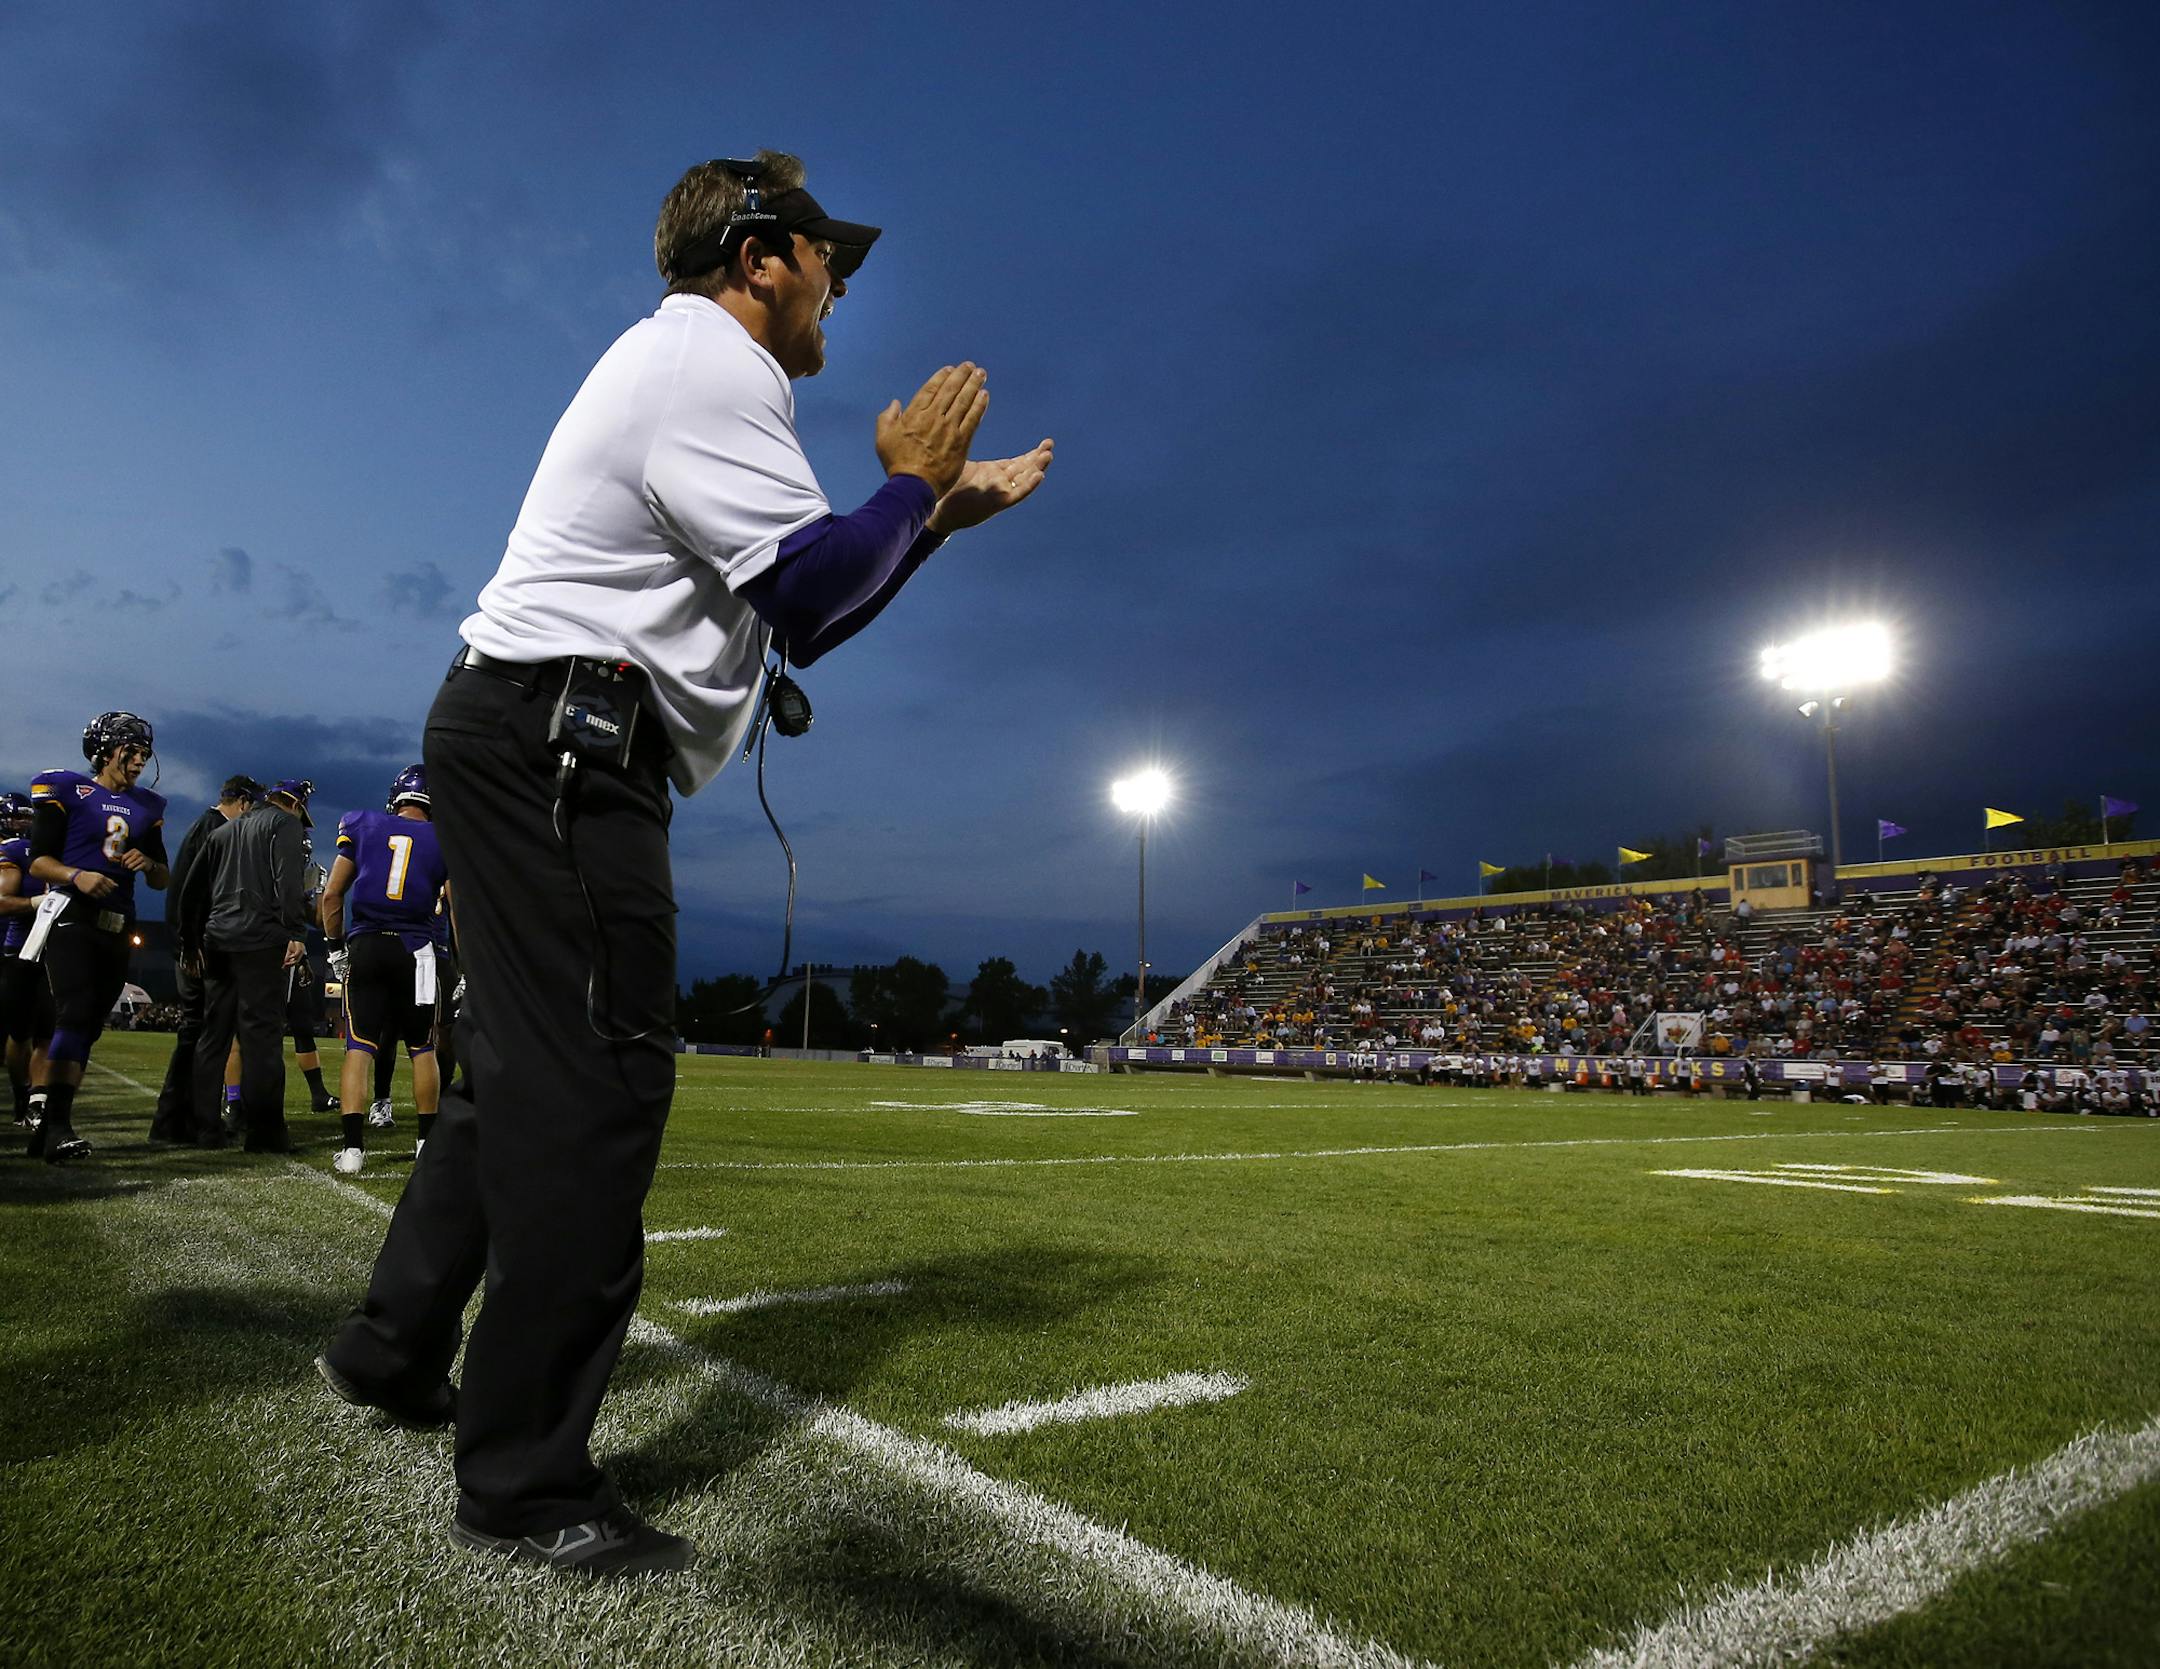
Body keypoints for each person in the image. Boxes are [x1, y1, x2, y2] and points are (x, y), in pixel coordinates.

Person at [317, 149, 1053, 1579]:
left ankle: (393, 1346)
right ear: (762, 256)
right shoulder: (717, 366)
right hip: (563, 740)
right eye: (831, 254)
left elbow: (812, 588)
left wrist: (929, 511)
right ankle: (526, 1481)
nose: (843, 281)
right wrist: (910, 490)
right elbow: (816, 594)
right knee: (597, 1086)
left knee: (519, 1077)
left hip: (528, 725)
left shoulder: (688, 364)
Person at [24, 713, 170, 1161]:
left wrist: (148, 865)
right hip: (73, 915)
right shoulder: (68, 790)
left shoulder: (148, 806)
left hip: (118, 923)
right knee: (74, 1013)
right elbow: (38, 862)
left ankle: (48, 1129)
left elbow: (163, 878)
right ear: (104, 750)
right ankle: (57, 1126)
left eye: (144, 751)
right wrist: (77, 876)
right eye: (132, 749)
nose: (140, 758)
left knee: (88, 1027)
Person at [319, 764, 451, 1173]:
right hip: (422, 952)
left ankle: (354, 1151)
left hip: (370, 945)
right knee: (423, 1047)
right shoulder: (446, 839)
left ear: (397, 798)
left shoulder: (362, 823)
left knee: (360, 1046)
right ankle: (426, 1143)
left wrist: (335, 948)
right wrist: (462, 962)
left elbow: (331, 897)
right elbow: (457, 906)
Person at [180, 778, 312, 1152]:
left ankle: (206, 1128)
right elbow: (287, 882)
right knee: (261, 1039)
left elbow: (192, 889)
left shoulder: (225, 830)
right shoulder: (283, 824)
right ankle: (265, 1132)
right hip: (259, 940)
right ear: (293, 804)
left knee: (214, 1035)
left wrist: (190, 942)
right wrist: (296, 930)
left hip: (218, 940)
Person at [151, 775, 263, 1143]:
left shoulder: (207, 826)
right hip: (199, 946)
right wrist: (190, 942)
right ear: (244, 802)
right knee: (202, 1034)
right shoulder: (216, 829)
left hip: (193, 941)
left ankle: (174, 1122)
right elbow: (192, 890)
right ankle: (191, 1122)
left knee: (196, 1033)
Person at [0, 791, 52, 1127]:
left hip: (50, 950)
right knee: (19, 1033)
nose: (24, 824)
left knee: (47, 1031)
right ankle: (22, 1091)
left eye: (28, 818)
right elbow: (3, 901)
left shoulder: (48, 850)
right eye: (17, 818)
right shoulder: (13, 851)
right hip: (18, 951)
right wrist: (38, 903)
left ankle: (37, 1102)